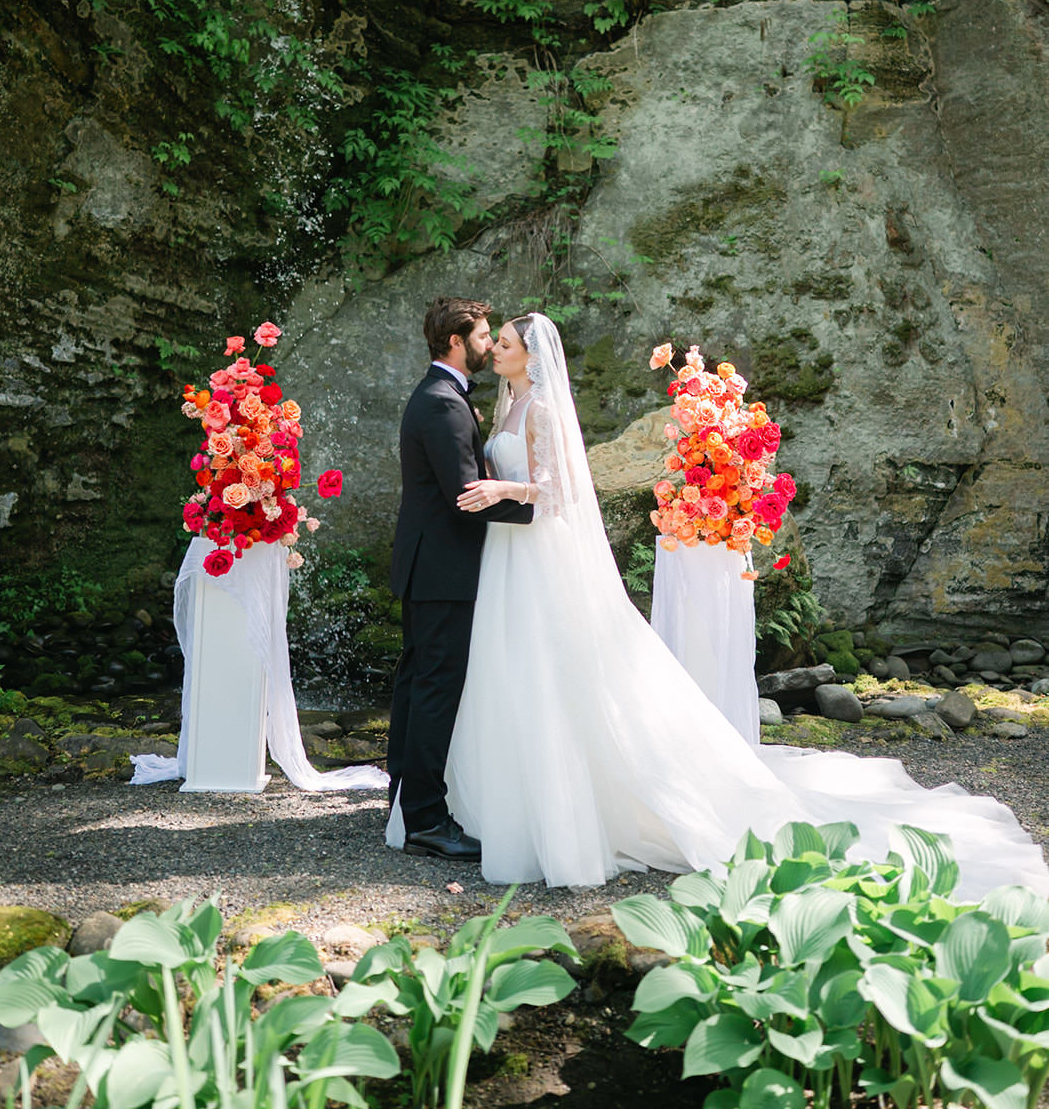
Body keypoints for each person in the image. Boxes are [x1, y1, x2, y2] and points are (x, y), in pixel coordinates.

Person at [386, 312, 1049, 900]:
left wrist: (502, 485)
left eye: (502, 342)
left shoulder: (542, 411)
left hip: (533, 557)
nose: (493, 348)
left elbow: (555, 490)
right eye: (491, 340)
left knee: (549, 672)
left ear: (530, 354)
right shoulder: (501, 403)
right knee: (504, 675)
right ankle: (492, 800)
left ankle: (557, 809)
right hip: (503, 559)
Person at [386, 296, 534, 862]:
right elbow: (465, 498)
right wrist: (538, 512)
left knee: (418, 682)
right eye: (482, 336)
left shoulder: (440, 396)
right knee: (434, 689)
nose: (489, 344)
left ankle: (405, 801)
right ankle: (425, 818)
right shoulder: (444, 405)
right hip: (444, 569)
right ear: (455, 342)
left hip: (432, 566)